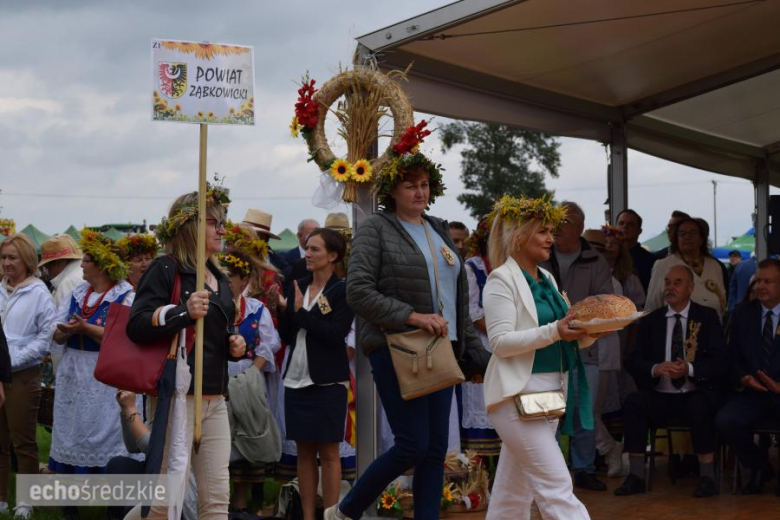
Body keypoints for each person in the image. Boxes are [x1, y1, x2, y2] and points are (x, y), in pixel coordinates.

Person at [327, 152, 489, 520]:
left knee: (434, 450)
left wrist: (473, 351)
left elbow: (457, 299)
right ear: (392, 191)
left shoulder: (439, 228)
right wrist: (412, 316)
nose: (419, 192)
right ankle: (346, 511)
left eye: (424, 185)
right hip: (398, 346)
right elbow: (358, 291)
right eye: (410, 185)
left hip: (443, 349)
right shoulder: (376, 227)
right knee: (412, 444)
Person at [125, 186, 246, 520]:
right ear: (190, 226)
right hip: (176, 398)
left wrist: (235, 347)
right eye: (213, 222)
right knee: (163, 501)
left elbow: (217, 332)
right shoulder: (166, 269)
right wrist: (183, 311)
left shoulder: (219, 276)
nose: (222, 230)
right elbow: (136, 325)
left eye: (223, 223)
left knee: (217, 498)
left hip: (215, 399)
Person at [481, 195, 597, 519]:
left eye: (551, 231)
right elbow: (500, 343)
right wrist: (556, 331)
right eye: (543, 231)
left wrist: (591, 332)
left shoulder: (546, 278)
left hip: (548, 395)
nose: (551, 238)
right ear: (519, 235)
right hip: (515, 395)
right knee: (557, 486)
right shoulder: (500, 280)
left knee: (513, 494)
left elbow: (561, 336)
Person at [616, 265, 726, 498]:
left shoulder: (706, 317)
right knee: (634, 402)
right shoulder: (651, 320)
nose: (670, 287)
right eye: (667, 282)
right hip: (660, 394)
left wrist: (690, 368)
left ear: (690, 288)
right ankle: (635, 475)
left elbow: (720, 361)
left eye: (677, 282)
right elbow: (633, 359)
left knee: (701, 405)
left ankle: (707, 477)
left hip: (694, 392)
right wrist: (656, 368)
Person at [48, 230, 136, 520]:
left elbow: (124, 335)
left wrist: (86, 329)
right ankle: (70, 506)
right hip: (75, 370)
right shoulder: (77, 293)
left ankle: (114, 506)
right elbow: (57, 330)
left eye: (86, 260)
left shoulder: (125, 294)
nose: (82, 265)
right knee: (71, 432)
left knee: (108, 434)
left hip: (105, 372)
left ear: (103, 265)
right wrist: (63, 333)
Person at [278, 228, 353, 520]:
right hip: (295, 379)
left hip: (327, 380)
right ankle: (308, 516)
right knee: (304, 452)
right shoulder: (298, 284)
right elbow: (288, 334)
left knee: (330, 453)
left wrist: (299, 313)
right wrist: (284, 311)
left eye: (315, 249)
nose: (307, 254)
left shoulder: (341, 290)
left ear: (333, 256)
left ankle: (330, 515)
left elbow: (335, 334)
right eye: (307, 248)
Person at [540, 202, 613, 492]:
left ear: (580, 228)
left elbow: (605, 303)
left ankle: (583, 469)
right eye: (555, 221)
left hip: (586, 350)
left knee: (584, 413)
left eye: (565, 222)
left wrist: (580, 325)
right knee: (550, 414)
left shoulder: (596, 261)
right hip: (549, 348)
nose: (557, 227)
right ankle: (553, 471)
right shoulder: (540, 256)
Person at [218, 224, 282, 513]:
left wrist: (252, 373)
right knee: (220, 439)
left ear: (244, 279)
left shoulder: (256, 309)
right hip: (216, 378)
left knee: (245, 435)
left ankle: (241, 503)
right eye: (223, 276)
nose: (226, 281)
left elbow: (270, 344)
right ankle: (219, 502)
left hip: (247, 376)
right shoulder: (213, 307)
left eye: (230, 276)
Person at [0, 234, 56, 519]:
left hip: (22, 375)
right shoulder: (0, 289)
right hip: (0, 372)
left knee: (23, 440)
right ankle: (0, 499)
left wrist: (9, 362)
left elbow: (44, 340)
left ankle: (26, 501)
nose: (7, 263)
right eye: (3, 258)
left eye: (12, 258)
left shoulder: (39, 294)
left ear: (27, 261)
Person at [716, 258, 780, 495]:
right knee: (726, 421)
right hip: (752, 392)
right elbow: (731, 359)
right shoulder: (743, 313)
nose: (761, 286)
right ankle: (759, 467)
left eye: (768, 281)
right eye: (758, 281)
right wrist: (744, 378)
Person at [458, 217, 501, 456]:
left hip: (509, 346)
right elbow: (473, 313)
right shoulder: (472, 268)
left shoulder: (512, 267)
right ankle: (477, 484)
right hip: (483, 346)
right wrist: (504, 333)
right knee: (481, 406)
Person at [646, 217, 726, 319]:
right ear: (676, 239)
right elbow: (652, 305)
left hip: (711, 330)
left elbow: (722, 302)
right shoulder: (663, 265)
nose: (687, 237)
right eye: (682, 234)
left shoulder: (714, 266)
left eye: (692, 233)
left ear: (701, 239)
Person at [615, 209, 656, 292]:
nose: (625, 226)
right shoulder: (606, 257)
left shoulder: (651, 261)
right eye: (621, 223)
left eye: (630, 224)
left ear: (639, 231)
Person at [241, 208, 290, 277]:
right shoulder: (234, 256)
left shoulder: (278, 261)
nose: (247, 237)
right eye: (244, 233)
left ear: (264, 237)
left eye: (254, 233)